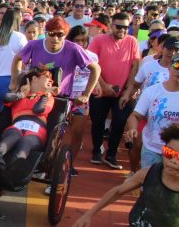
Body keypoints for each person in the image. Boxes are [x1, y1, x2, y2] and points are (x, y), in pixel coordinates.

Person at [88, 12, 141, 169]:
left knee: (119, 122)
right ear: (112, 26)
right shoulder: (98, 41)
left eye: (125, 27)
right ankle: (96, 150)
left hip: (122, 93)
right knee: (97, 121)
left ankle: (111, 154)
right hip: (100, 91)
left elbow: (135, 67)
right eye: (119, 27)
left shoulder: (132, 41)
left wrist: (127, 91)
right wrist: (104, 86)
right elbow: (91, 65)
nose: (122, 30)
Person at [0, 68, 59, 167]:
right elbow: (5, 98)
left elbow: (38, 109)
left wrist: (45, 95)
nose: (51, 81)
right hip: (16, 126)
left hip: (36, 130)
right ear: (34, 78)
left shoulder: (48, 98)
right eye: (47, 76)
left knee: (26, 141)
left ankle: (14, 166)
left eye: (52, 79)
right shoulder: (20, 95)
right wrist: (21, 94)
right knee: (14, 136)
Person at [123, 54, 179, 168]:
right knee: (150, 183)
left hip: (176, 152)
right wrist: (133, 128)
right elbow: (136, 115)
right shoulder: (152, 91)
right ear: (169, 67)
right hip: (152, 148)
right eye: (176, 66)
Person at [64, 25, 100, 176]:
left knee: (78, 133)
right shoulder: (64, 54)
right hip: (64, 98)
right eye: (76, 40)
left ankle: (70, 164)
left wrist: (89, 92)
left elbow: (95, 73)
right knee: (58, 133)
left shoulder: (92, 57)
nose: (79, 44)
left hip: (81, 100)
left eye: (83, 41)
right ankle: (51, 162)